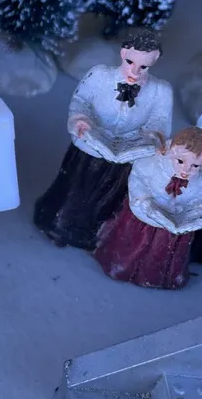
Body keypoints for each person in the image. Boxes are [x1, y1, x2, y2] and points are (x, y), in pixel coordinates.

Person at [34, 29, 172, 250]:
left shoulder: (161, 91)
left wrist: (153, 136)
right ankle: (57, 224)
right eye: (130, 62)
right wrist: (81, 120)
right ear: (123, 53)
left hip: (125, 156)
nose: (135, 71)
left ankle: (89, 233)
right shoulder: (99, 75)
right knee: (74, 189)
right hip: (90, 147)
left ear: (154, 61)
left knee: (106, 198)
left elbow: (160, 121)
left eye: (143, 67)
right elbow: (81, 100)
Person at [93, 127, 202, 289]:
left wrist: (193, 213)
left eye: (195, 166)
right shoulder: (152, 164)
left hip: (172, 228)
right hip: (143, 220)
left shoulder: (199, 181)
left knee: (160, 253)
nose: (186, 170)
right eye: (180, 161)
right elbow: (138, 180)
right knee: (132, 245)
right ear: (172, 153)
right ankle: (121, 267)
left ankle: (155, 276)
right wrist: (144, 202)